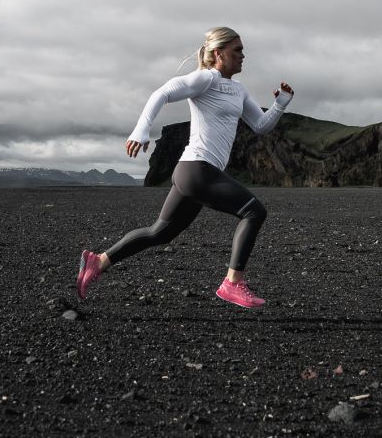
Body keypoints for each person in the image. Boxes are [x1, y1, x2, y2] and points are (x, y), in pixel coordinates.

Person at [77, 26, 294, 308]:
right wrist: (141, 130)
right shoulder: (206, 79)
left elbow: (261, 126)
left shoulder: (238, 90)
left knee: (161, 232)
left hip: (196, 172)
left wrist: (280, 104)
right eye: (237, 50)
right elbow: (163, 92)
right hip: (197, 169)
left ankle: (98, 261)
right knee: (254, 212)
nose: (243, 55)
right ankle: (232, 283)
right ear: (219, 53)